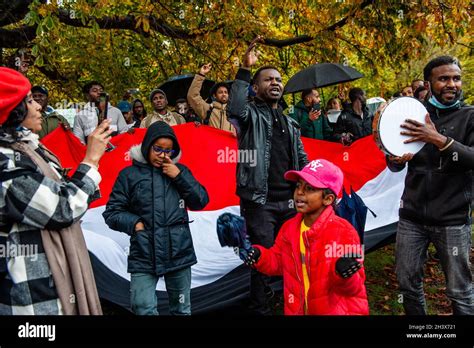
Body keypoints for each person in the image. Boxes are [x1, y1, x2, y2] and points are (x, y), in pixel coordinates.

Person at [0, 67, 110, 315]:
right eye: (29, 100)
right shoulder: (7, 163)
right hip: (34, 298)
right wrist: (90, 160)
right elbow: (63, 208)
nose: (38, 106)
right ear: (11, 110)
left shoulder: (29, 149)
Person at [387, 56, 474, 315]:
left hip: (452, 218)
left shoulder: (470, 116)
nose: (451, 84)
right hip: (411, 217)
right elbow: (394, 160)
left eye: (456, 78)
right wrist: (394, 159)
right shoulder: (412, 114)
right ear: (429, 82)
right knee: (407, 284)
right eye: (443, 78)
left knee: (460, 290)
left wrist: (438, 139)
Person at [227, 36, 308, 314]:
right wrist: (244, 69)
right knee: (261, 258)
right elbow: (234, 109)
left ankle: (293, 303)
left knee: (294, 255)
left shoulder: (292, 122)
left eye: (278, 79)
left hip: (291, 202)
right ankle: (260, 308)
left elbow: (303, 160)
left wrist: (312, 187)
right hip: (259, 203)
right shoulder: (249, 115)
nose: (275, 82)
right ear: (256, 87)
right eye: (268, 79)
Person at [103, 121, 209, 315]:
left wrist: (179, 177)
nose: (163, 155)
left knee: (181, 309)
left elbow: (200, 201)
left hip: (179, 251)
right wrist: (136, 224)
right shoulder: (129, 175)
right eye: (158, 149)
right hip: (143, 251)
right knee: (142, 307)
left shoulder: (181, 171)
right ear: (146, 147)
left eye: (168, 151)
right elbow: (112, 212)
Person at [241, 159, 369, 315]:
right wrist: (259, 255)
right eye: (298, 186)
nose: (300, 192)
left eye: (309, 188)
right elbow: (279, 262)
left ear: (328, 199)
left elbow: (353, 288)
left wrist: (344, 274)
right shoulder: (289, 228)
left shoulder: (344, 232)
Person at [187, 64, 234, 133]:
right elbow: (192, 96)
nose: (224, 94)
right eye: (220, 92)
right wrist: (201, 74)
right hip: (212, 143)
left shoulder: (235, 111)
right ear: (214, 96)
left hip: (231, 144)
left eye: (226, 92)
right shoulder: (208, 110)